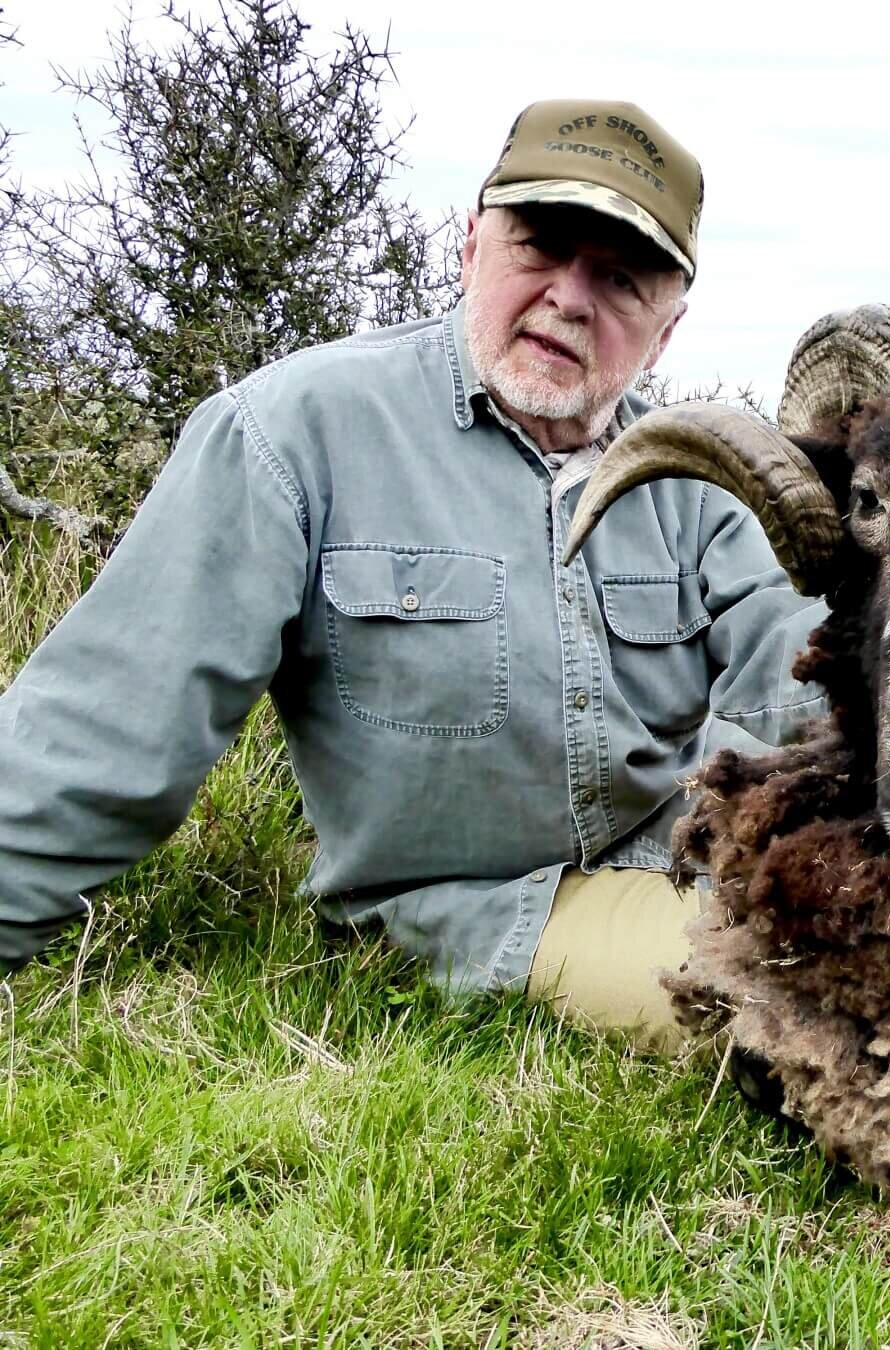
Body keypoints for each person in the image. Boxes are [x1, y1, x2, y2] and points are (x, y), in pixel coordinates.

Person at [0, 100, 827, 1047]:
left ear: (666, 329)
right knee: (800, 1001)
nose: (569, 297)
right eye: (539, 246)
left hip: (687, 867)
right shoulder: (289, 433)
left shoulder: (700, 479)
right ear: (471, 245)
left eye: (621, 280)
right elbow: (100, 733)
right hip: (471, 916)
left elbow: (808, 673)